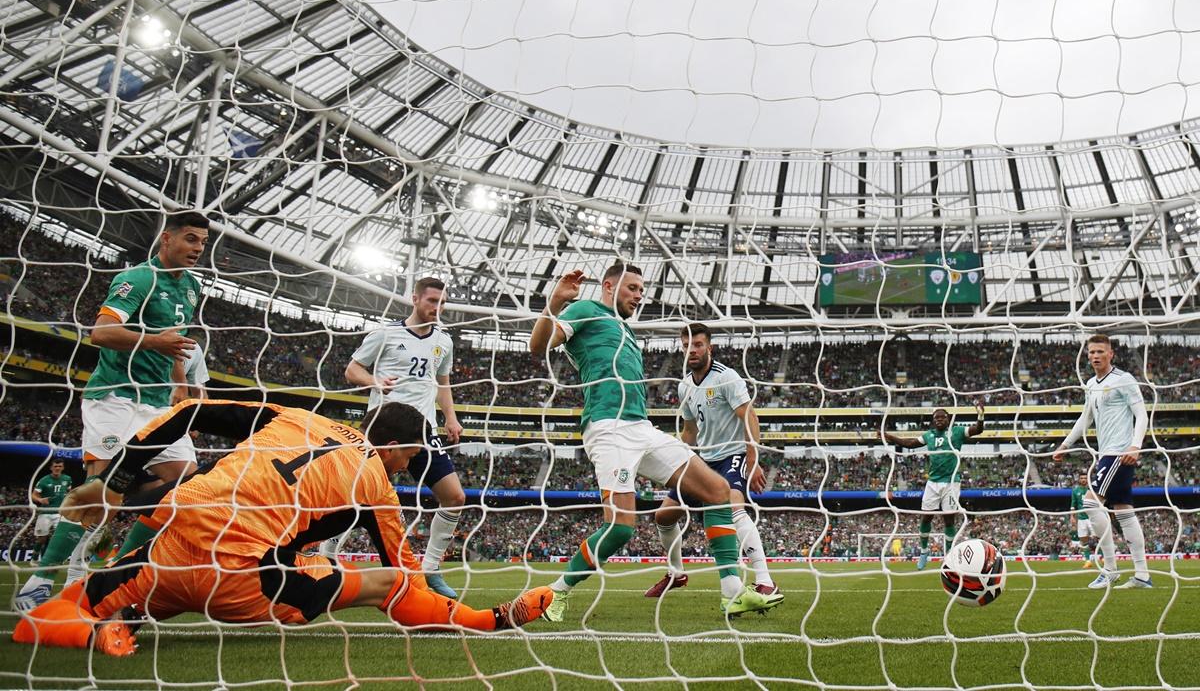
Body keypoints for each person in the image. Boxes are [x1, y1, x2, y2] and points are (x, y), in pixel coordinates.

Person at [11, 400, 551, 656]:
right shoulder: (377, 487)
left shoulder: (294, 417)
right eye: (413, 455)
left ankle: (96, 628)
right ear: (400, 447)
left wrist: (116, 483)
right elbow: (402, 573)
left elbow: (190, 408)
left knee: (56, 609)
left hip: (171, 552)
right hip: (245, 584)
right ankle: (489, 621)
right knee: (376, 581)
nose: (412, 465)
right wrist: (453, 606)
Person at [529, 262, 780, 621]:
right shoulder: (585, 310)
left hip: (641, 428)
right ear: (608, 285)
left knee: (716, 490)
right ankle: (556, 593)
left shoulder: (625, 329)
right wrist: (554, 302)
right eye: (632, 288)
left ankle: (732, 593)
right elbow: (537, 347)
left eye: (641, 289)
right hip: (608, 429)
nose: (639, 295)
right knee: (620, 527)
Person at [13, 211, 209, 611]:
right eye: (190, 239)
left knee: (187, 487)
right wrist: (156, 342)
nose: (198, 249)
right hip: (116, 397)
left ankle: (116, 569)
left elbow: (179, 346)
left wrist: (181, 392)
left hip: (157, 404)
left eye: (202, 242)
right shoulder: (136, 279)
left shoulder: (191, 287)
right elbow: (100, 333)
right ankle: (43, 580)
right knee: (100, 492)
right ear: (166, 239)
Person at [644, 323, 782, 608]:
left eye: (697, 345)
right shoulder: (685, 386)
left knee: (733, 508)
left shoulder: (726, 377)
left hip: (732, 455)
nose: (691, 351)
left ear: (709, 347)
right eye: (686, 346)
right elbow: (690, 433)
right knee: (664, 517)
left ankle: (765, 580)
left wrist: (753, 462)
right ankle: (676, 573)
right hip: (703, 460)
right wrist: (676, 461)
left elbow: (750, 418)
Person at [344, 277, 465, 599]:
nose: (437, 308)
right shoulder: (385, 334)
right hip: (383, 429)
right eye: (432, 301)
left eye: (442, 303)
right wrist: (375, 381)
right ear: (415, 299)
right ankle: (327, 553)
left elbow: (442, 383)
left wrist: (450, 418)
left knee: (454, 496)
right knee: (357, 495)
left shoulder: (444, 341)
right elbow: (352, 370)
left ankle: (431, 568)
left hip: (423, 429)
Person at [1053, 334, 1151, 589]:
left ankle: (1110, 569)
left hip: (1119, 453)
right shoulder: (1091, 384)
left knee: (1089, 501)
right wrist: (1065, 444)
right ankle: (1142, 575)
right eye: (1091, 352)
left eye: (1099, 351)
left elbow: (1141, 415)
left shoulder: (1124, 380)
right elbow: (1085, 419)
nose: (1095, 356)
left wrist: (1135, 445)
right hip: (1106, 453)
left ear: (1111, 354)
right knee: (1124, 511)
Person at [884, 404, 984, 571]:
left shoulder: (957, 432)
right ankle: (924, 552)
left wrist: (980, 416)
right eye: (936, 418)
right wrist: (890, 437)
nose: (939, 420)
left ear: (949, 419)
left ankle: (950, 557)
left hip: (952, 482)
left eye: (942, 417)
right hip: (933, 483)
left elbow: (977, 430)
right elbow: (910, 443)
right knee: (926, 518)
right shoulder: (929, 435)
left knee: (949, 519)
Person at [31, 458, 73, 561]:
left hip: (59, 513)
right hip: (45, 512)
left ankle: (53, 558)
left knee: (58, 537)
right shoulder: (44, 480)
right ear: (51, 468)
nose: (57, 468)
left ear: (63, 467)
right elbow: (33, 495)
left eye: (59, 466)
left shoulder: (67, 479)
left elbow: (69, 493)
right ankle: (34, 559)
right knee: (42, 538)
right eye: (55, 466)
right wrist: (40, 499)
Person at [1071, 473, 1101, 569]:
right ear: (1079, 480)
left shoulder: (1092, 490)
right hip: (1081, 518)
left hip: (1092, 517)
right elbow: (1073, 505)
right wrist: (1072, 517)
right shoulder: (1075, 491)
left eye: (1085, 478)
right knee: (1084, 540)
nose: (1083, 479)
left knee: (1097, 538)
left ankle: (1103, 557)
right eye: (1081, 478)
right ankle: (1088, 561)